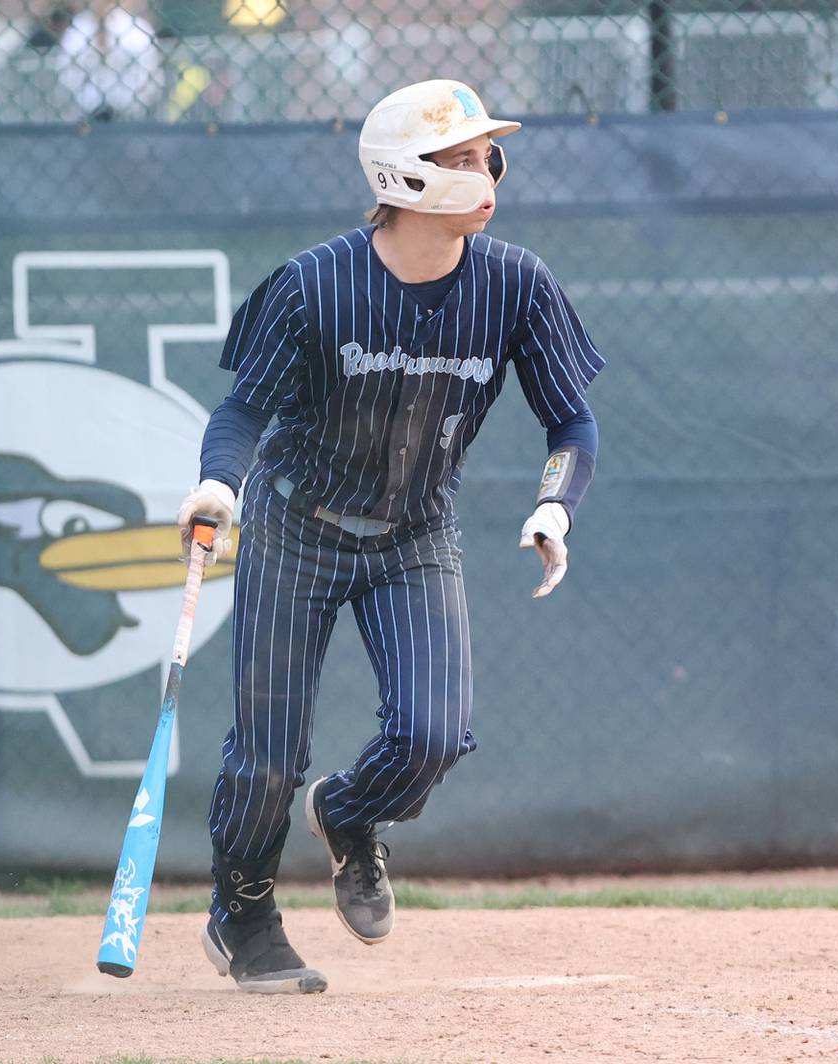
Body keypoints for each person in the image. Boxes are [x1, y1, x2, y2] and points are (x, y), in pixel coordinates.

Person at [177, 79, 604, 993]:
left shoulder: (516, 284)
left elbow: (574, 427)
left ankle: (349, 812)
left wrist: (554, 505)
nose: (483, 169)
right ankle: (242, 911)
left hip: (416, 532)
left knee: (433, 735)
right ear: (400, 177)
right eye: (457, 157)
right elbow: (243, 409)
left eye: (485, 152)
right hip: (300, 526)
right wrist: (219, 482)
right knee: (266, 756)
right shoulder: (313, 284)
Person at [56, 0, 162, 122]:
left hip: (129, 113)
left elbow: (149, 73)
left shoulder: (136, 29)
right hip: (86, 113)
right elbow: (66, 74)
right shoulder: (78, 29)